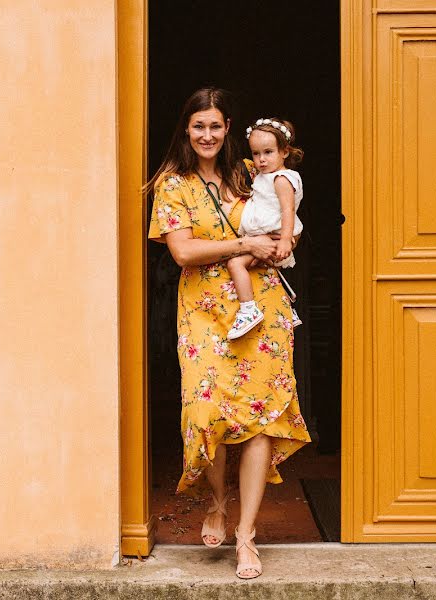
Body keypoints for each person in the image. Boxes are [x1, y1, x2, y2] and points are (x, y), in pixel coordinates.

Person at [147, 88, 311, 580]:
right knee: (208, 411)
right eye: (199, 126)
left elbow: (291, 219)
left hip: (260, 309)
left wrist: (283, 242)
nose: (207, 135)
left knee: (260, 418)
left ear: (227, 127)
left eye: (216, 126)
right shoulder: (172, 185)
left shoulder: (249, 172)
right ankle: (217, 501)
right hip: (202, 311)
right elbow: (182, 252)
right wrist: (244, 243)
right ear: (186, 129)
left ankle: (246, 535)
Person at [226, 118, 305, 340]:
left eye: (268, 152)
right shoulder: (265, 175)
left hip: (274, 236)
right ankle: (289, 308)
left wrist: (284, 239)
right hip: (265, 236)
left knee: (235, 263)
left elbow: (288, 210)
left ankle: (248, 309)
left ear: (285, 152)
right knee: (261, 269)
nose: (261, 160)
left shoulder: (281, 179)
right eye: (256, 153)